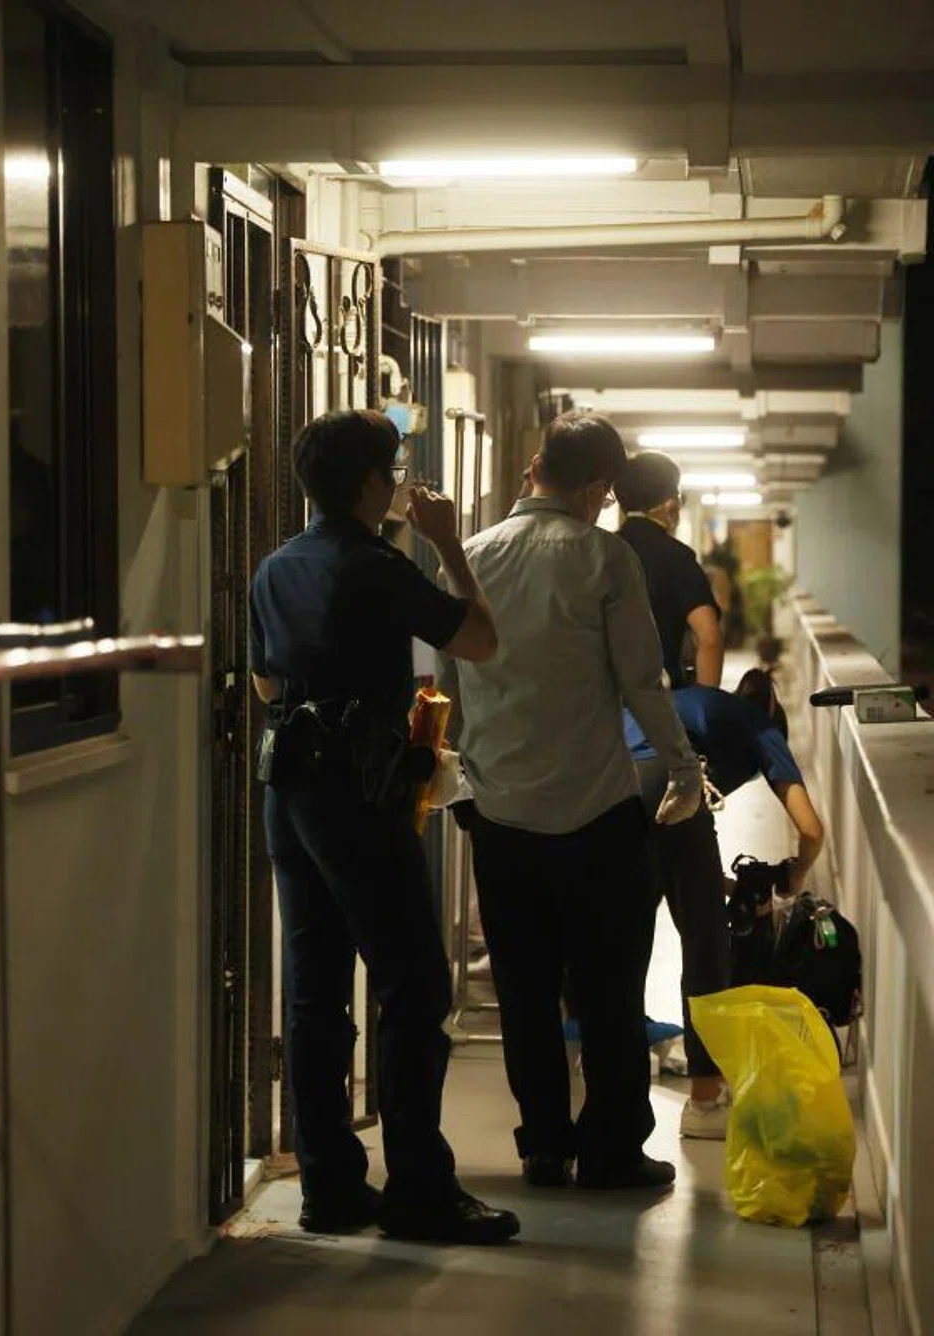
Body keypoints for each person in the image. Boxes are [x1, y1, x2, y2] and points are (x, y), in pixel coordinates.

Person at [249, 408, 519, 1246]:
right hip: (359, 794)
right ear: (372, 482)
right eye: (395, 469)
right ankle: (419, 1191)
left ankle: (330, 1184)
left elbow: (264, 688)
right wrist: (449, 544)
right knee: (412, 983)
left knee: (315, 984)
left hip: (287, 785)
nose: (401, 482)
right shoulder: (375, 563)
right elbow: (480, 640)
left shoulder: (275, 568)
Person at [451, 411, 703, 1192]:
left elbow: (453, 686)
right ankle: (611, 1150)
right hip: (595, 812)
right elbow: (642, 681)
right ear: (596, 488)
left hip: (498, 813)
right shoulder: (605, 559)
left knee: (525, 990)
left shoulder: (470, 558)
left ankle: (544, 1147)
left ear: (534, 464)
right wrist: (686, 771)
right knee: (609, 986)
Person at [624, 667, 825, 1138]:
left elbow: (676, 860)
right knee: (706, 944)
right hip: (674, 779)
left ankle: (612, 1096)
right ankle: (705, 1101)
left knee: (623, 948)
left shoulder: (699, 704)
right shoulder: (759, 726)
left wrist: (726, 887)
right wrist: (794, 874)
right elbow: (811, 830)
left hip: (610, 784)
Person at [616, 451, 724, 687]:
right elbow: (709, 637)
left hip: (602, 705)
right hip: (662, 703)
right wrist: (703, 706)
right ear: (670, 506)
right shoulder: (678, 558)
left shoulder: (600, 552)